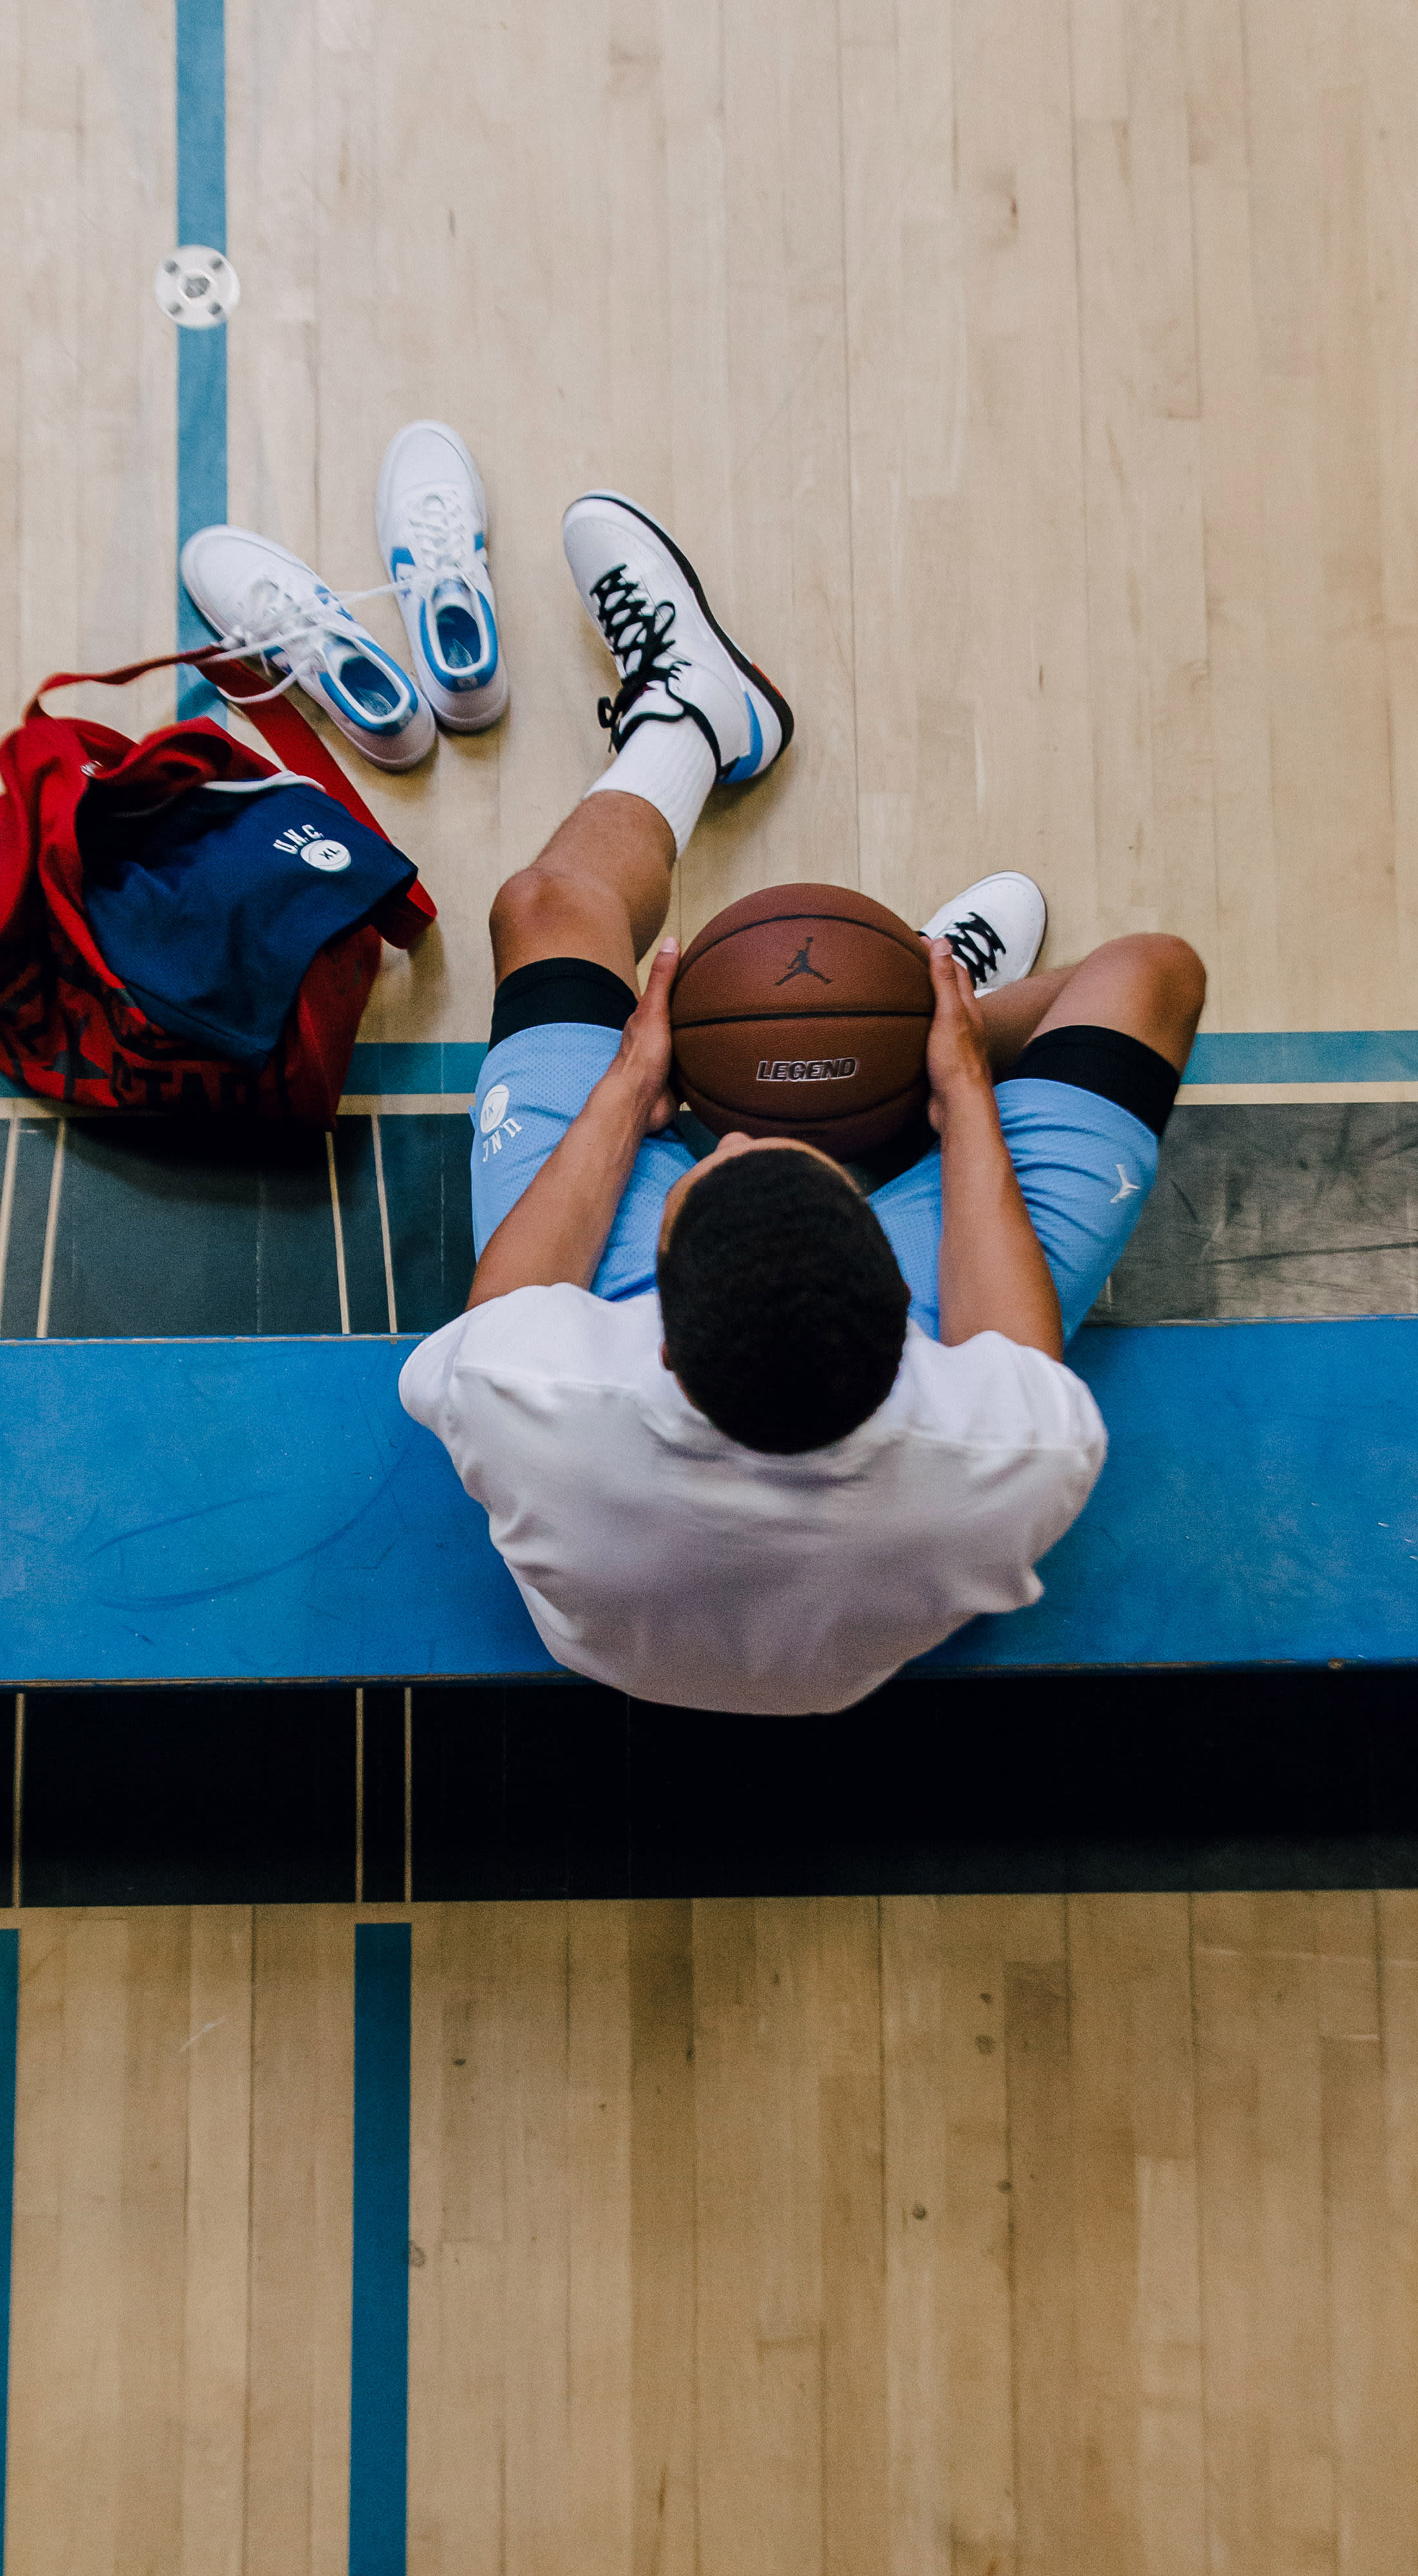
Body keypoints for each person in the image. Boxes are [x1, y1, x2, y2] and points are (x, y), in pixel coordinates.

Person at [399, 492, 1207, 1715]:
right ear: (902, 1289)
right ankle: (902, 1017)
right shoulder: (1008, 1444)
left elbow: (512, 1295)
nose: (745, 1144)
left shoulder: (536, 1395)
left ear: (655, 1326)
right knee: (1150, 974)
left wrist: (635, 1078)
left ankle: (690, 722)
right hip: (850, 1574)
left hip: (616, 1593)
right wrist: (957, 1088)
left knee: (546, 912)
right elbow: (1008, 1346)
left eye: (717, 1155)